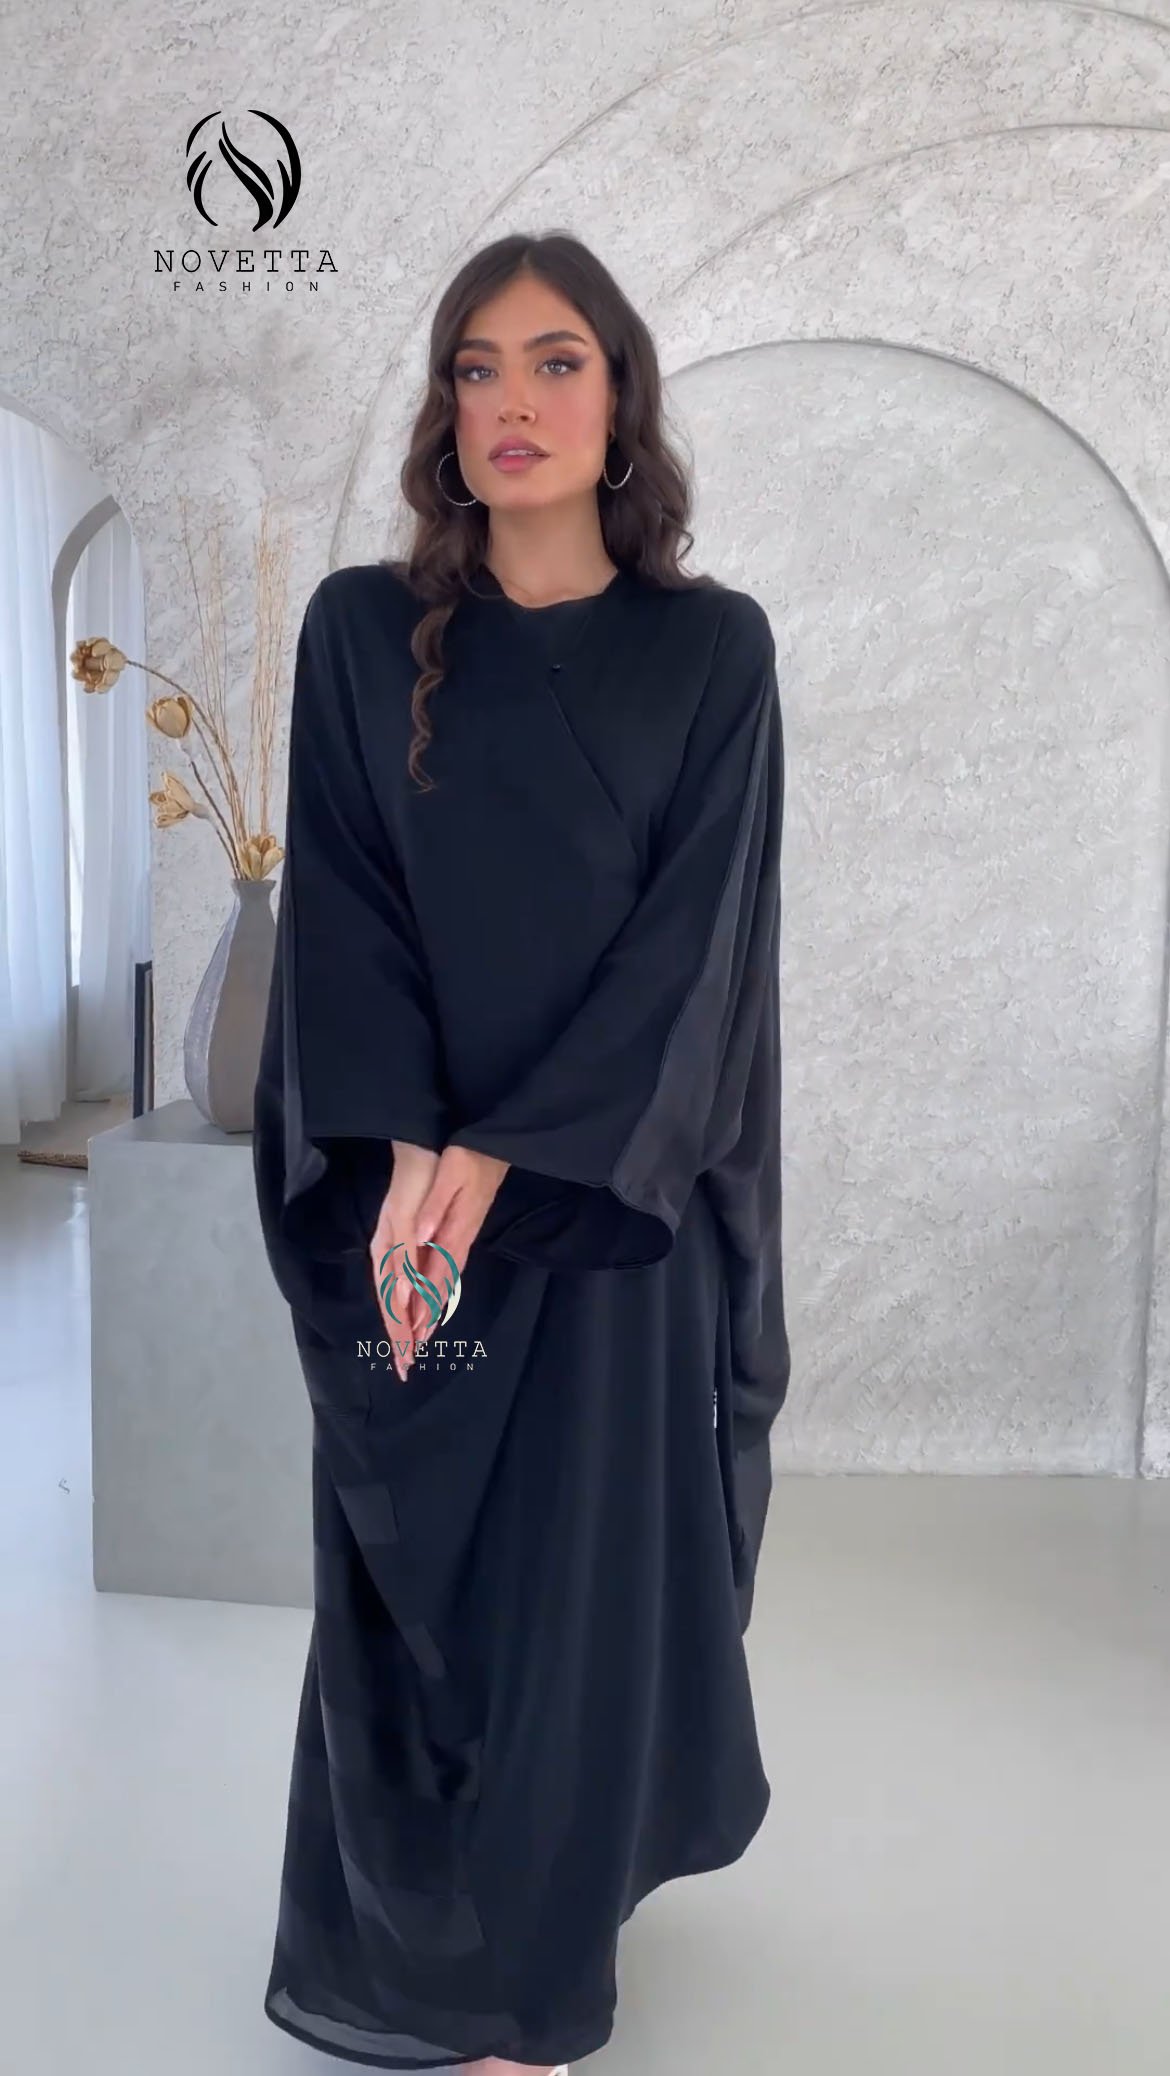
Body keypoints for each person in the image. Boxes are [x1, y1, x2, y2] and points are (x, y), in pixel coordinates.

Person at [251, 228, 791, 2076]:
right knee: (422, 1579)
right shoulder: (357, 632)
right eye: (475, 367)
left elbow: (694, 953)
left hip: (601, 1209)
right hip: (402, 1206)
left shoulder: (709, 651)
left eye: (556, 361)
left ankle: (536, 1985)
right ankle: (418, 1933)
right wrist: (411, 1151)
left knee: (579, 1589)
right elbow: (342, 913)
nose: (513, 402)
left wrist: (504, 1163)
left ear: (620, 398)